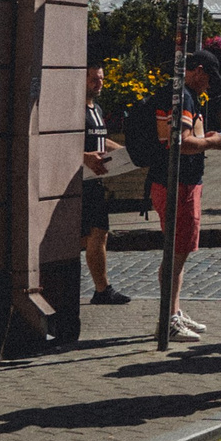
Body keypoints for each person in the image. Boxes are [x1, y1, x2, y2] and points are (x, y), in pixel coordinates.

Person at [122, 51, 221, 341]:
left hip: (177, 183)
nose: (209, 85)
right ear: (199, 70)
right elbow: (179, 143)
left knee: (178, 251)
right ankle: (168, 319)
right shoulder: (183, 96)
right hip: (176, 184)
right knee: (176, 254)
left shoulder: (178, 94)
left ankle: (174, 311)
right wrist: (214, 143)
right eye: (208, 78)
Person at [81, 64, 130, 306]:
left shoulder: (97, 109)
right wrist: (84, 156)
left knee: (97, 234)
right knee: (97, 233)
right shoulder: (75, 109)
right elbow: (60, 140)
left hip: (96, 180)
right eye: (93, 78)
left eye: (100, 78)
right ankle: (102, 289)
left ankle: (102, 288)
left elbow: (102, 140)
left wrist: (124, 154)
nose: (98, 83)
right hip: (81, 181)